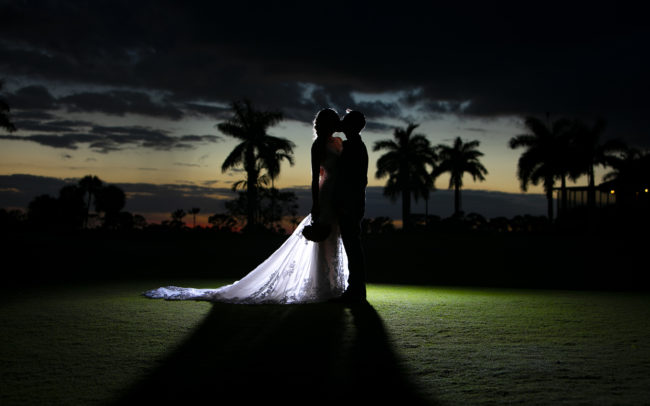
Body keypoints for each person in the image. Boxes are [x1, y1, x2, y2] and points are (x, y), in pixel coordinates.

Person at [142, 108, 349, 304]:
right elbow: (315, 176)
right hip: (325, 194)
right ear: (323, 124)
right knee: (324, 236)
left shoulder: (338, 142)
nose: (333, 125)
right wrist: (315, 203)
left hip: (337, 193)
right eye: (330, 122)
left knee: (335, 236)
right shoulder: (318, 146)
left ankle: (335, 284)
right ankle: (324, 286)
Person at [332, 110, 368, 303]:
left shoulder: (354, 147)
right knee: (351, 245)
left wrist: (345, 204)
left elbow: (354, 180)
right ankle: (355, 290)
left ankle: (356, 291)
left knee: (352, 246)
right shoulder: (352, 145)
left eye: (346, 122)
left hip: (351, 204)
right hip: (352, 203)